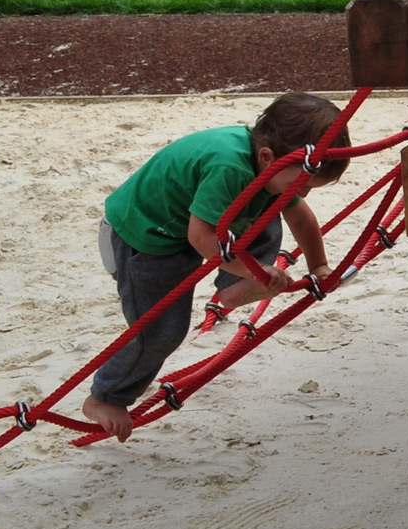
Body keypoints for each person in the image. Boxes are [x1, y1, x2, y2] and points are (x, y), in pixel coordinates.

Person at [83, 91, 351, 442]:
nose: (304, 193)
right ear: (267, 156)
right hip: (145, 238)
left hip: (190, 225)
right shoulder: (229, 168)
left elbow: (299, 215)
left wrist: (320, 266)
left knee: (268, 214)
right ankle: (104, 397)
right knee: (161, 331)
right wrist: (254, 271)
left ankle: (229, 289)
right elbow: (201, 236)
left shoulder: (272, 164)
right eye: (300, 184)